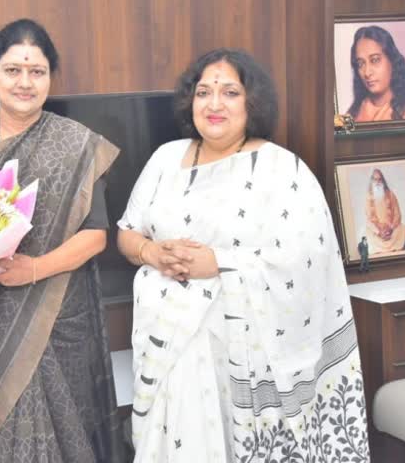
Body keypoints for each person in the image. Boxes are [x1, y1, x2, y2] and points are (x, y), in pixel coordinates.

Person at [117, 49, 370, 462]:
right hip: (167, 347)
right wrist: (151, 252)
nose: (214, 104)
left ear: (252, 103)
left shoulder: (282, 170)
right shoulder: (165, 158)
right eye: (203, 92)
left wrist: (220, 263)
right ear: (189, 101)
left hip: (242, 354)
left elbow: (306, 258)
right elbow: (128, 232)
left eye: (229, 92)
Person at [0, 18, 124, 462]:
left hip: (62, 313)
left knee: (71, 429)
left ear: (49, 79)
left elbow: (96, 236)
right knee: (7, 435)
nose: (25, 82)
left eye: (36, 71)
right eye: (13, 70)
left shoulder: (75, 144)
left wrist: (33, 269)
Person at [347, 25, 405, 123]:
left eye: (375, 60)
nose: (367, 73)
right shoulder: (351, 115)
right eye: (360, 64)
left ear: (392, 60)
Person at [363, 168, 405, 253]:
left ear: (383, 180)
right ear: (372, 181)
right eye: (375, 179)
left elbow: (397, 214)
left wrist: (391, 228)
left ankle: (389, 245)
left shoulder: (390, 194)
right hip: (378, 231)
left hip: (391, 228)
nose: (377, 182)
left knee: (402, 228)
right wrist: (379, 232)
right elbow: (368, 219)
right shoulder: (368, 197)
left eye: (379, 179)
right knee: (368, 232)